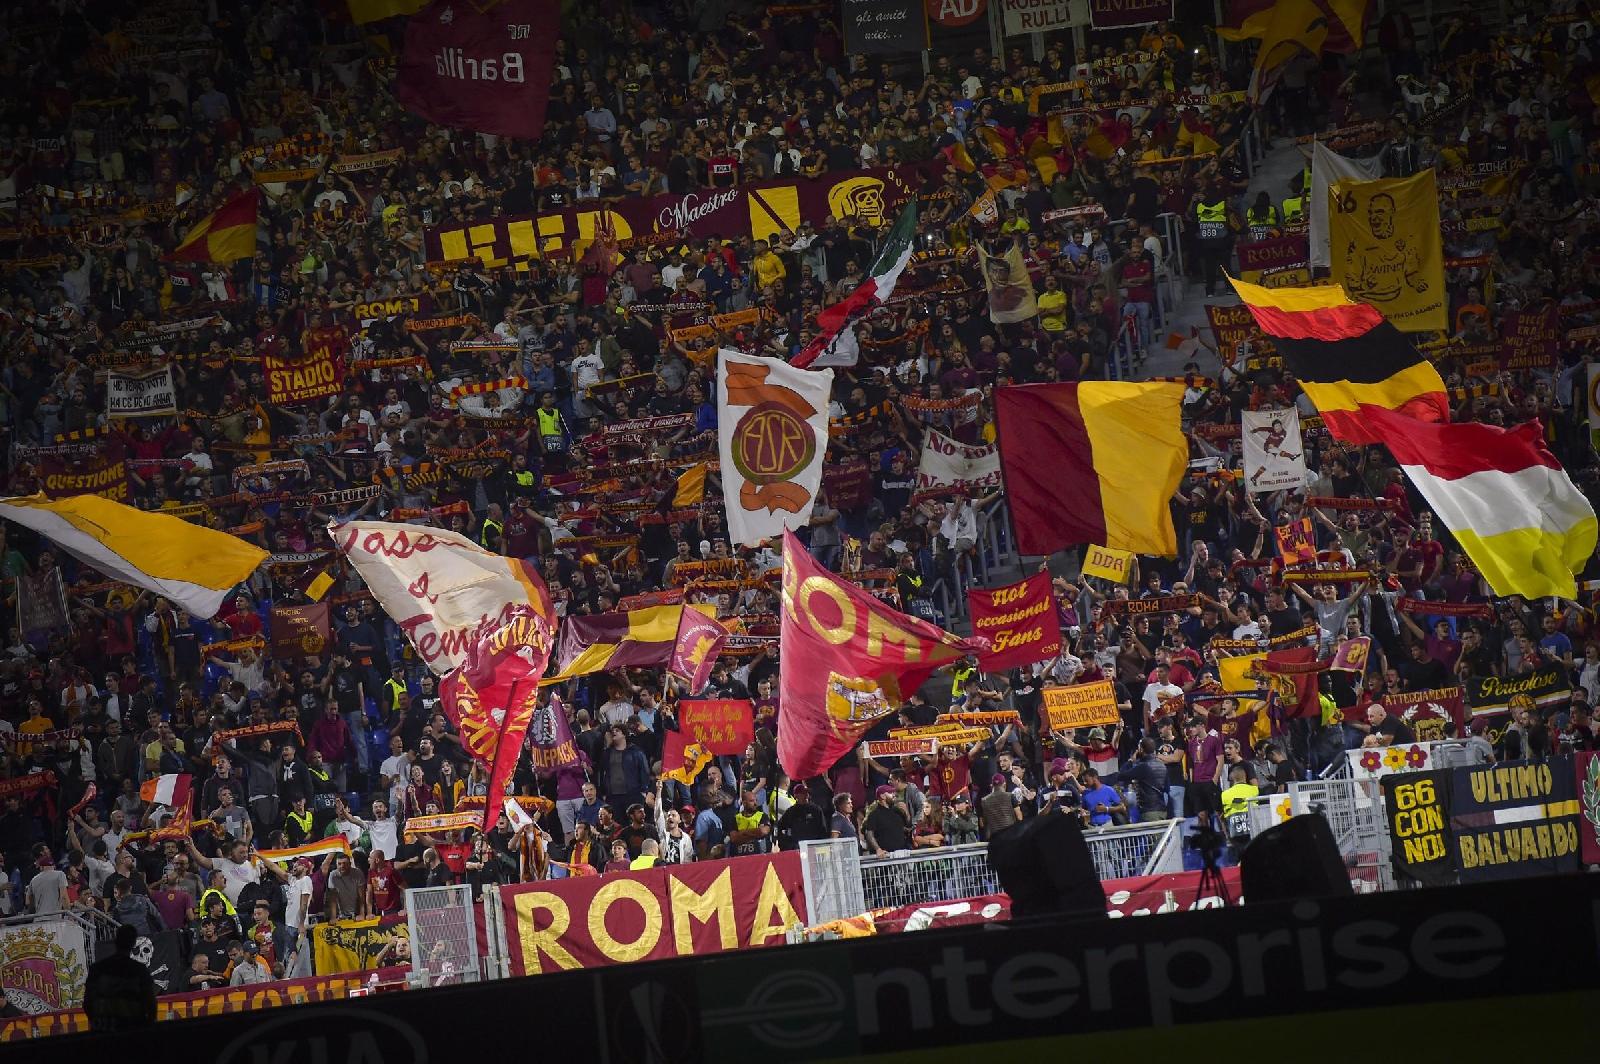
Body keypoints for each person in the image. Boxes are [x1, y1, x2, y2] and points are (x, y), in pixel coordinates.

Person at [83, 923, 157, 1031]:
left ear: (116, 941)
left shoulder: (97, 969)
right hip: (134, 1029)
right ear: (132, 944)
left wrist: (97, 1024)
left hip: (105, 1030)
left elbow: (88, 1003)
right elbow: (151, 1004)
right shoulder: (140, 970)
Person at [861, 785, 911, 857]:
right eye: (891, 793)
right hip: (885, 857)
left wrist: (907, 813)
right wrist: (878, 849)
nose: (894, 795)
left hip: (902, 854)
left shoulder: (897, 811)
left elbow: (908, 827)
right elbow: (869, 834)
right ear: (882, 796)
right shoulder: (874, 815)